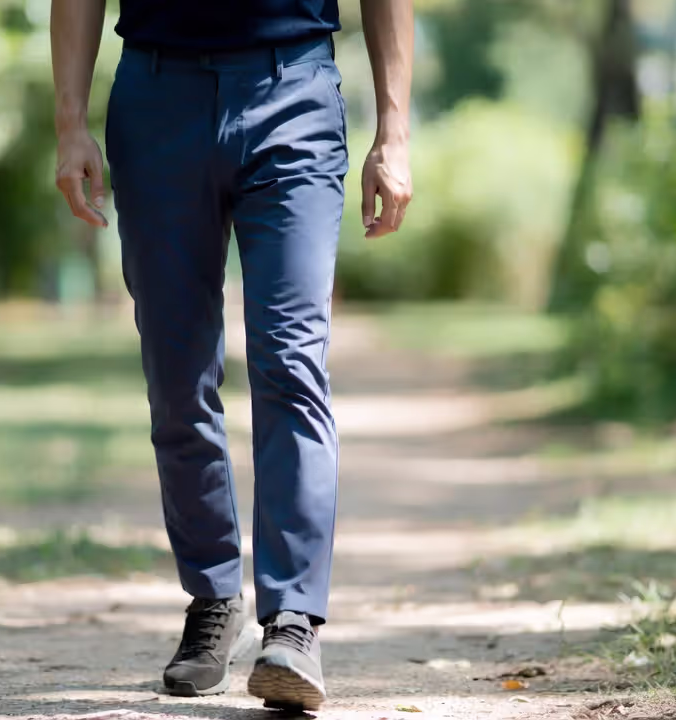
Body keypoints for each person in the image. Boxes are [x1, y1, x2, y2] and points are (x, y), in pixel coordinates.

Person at [51, 0, 413, 710]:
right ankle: (214, 598)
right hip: (157, 99)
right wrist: (69, 124)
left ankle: (293, 622)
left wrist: (394, 132)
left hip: (295, 91)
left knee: (291, 359)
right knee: (177, 374)